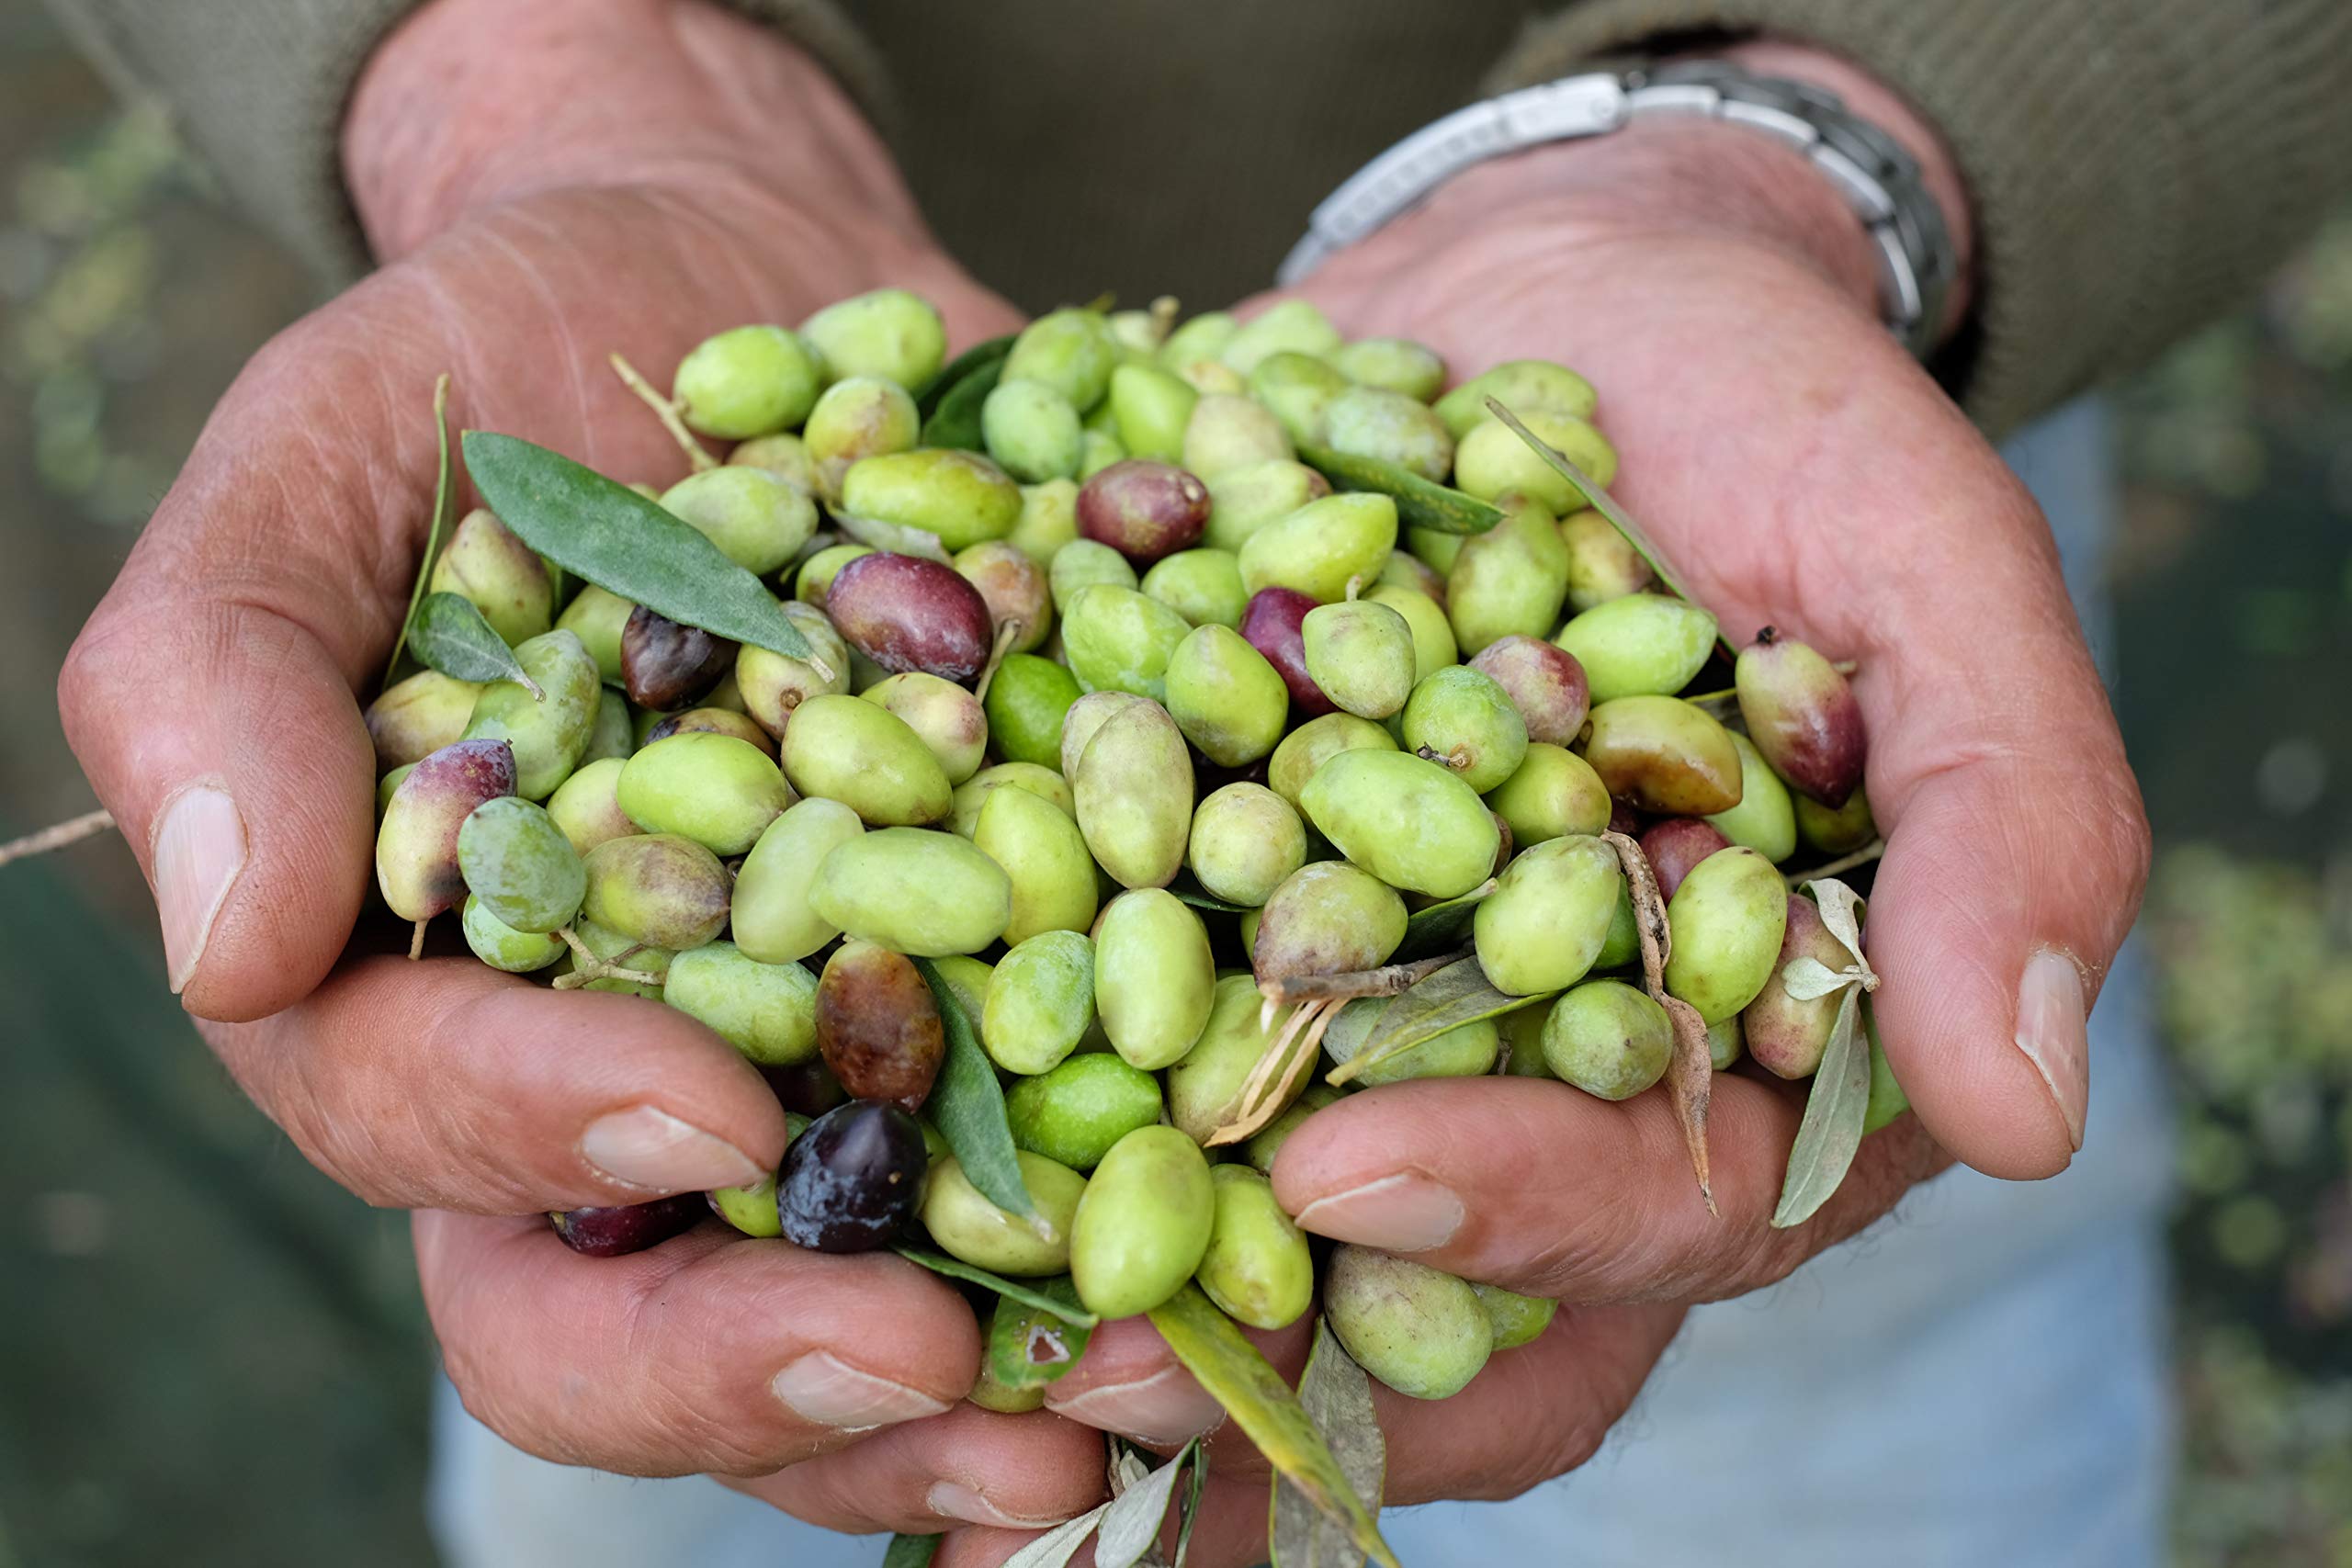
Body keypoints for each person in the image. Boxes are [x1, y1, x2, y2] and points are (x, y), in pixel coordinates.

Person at [43, 0, 2351, 1563]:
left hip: (1748, 371)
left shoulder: (1547, 611)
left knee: (1802, 1286)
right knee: (709, 1332)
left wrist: (1822, 138)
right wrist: (544, 72)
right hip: (697, 216)